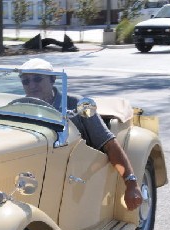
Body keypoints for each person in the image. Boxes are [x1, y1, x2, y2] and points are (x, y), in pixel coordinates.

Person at [18, 58, 143, 211]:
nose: (32, 86)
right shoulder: (20, 107)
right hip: (33, 175)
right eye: (26, 82)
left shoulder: (78, 105)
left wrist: (131, 183)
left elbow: (109, 144)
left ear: (52, 79)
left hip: (78, 174)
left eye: (37, 79)